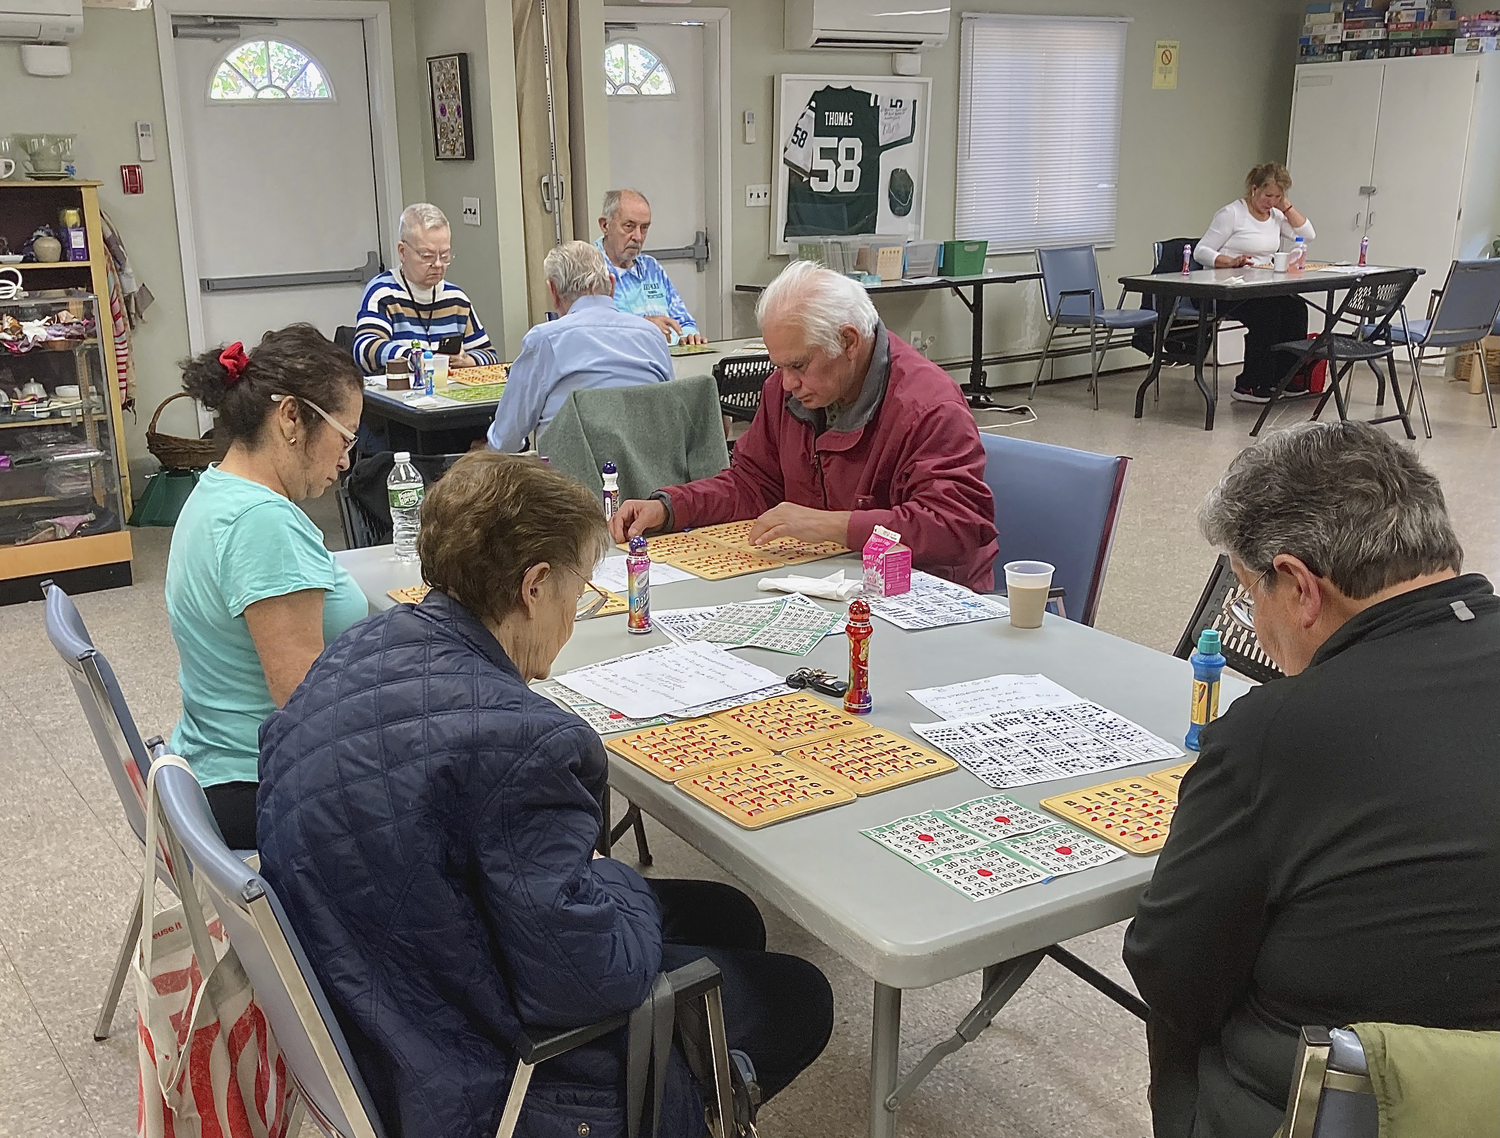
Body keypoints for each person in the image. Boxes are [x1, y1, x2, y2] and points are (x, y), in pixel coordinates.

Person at [257, 452, 834, 1138]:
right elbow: (594, 981)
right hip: (476, 1067)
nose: (575, 612)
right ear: (534, 586)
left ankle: (706, 1080)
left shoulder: (364, 644)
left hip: (374, 993)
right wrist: (612, 879)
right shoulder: (527, 743)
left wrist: (593, 882)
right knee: (802, 994)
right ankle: (690, 1096)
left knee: (730, 914)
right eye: (579, 589)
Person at [1123, 421, 1500, 1138]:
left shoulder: (1274, 732)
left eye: (1247, 596)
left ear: (1297, 586)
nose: (1254, 622)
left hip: (1353, 1107)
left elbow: (1171, 972)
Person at [610, 259, 998, 591]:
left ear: (849, 342)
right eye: (779, 366)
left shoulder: (928, 408)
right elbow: (753, 484)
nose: (787, 383)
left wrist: (832, 526)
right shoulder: (788, 390)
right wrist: (670, 507)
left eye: (798, 365)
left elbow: (955, 528)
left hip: (924, 597)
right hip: (827, 582)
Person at [165, 325, 367, 849]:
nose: (346, 461)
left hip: (215, 762)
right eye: (344, 438)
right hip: (259, 785)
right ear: (291, 418)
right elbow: (304, 705)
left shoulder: (218, 490)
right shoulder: (263, 524)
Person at [487, 241, 673, 452]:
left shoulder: (545, 341)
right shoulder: (652, 335)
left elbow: (505, 441)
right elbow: (670, 418)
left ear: (553, 291)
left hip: (569, 482)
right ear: (611, 285)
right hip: (651, 478)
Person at [1193, 163, 1317, 404]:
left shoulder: (1277, 217)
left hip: (1261, 287)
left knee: (1295, 309)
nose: (1271, 201)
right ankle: (1250, 383)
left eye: (1277, 197)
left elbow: (1308, 234)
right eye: (1267, 195)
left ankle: (1284, 377)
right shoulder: (1232, 214)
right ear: (1254, 190)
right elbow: (1201, 251)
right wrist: (1230, 261)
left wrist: (1286, 207)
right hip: (1228, 289)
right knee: (1268, 314)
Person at [353, 202, 501, 375]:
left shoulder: (456, 299)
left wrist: (466, 360)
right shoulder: (383, 292)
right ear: (402, 252)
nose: (438, 264)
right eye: (427, 256)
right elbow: (364, 349)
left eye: (445, 255)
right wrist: (414, 358)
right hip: (399, 396)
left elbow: (490, 356)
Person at [596, 188, 707, 345]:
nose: (638, 237)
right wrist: (642, 325)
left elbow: (686, 323)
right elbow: (592, 333)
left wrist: (689, 337)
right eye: (629, 226)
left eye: (644, 228)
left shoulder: (651, 267)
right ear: (605, 225)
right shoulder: (589, 268)